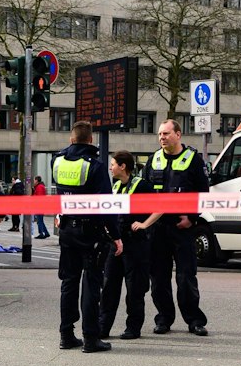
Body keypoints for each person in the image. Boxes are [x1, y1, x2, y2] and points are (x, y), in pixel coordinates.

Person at [51, 125, 122, 353]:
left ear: (71, 138)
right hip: (90, 231)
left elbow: (59, 194)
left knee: (68, 283)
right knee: (91, 284)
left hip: (67, 229)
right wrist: (116, 236)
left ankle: (66, 334)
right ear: (91, 139)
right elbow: (106, 205)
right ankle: (91, 338)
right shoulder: (95, 166)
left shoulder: (58, 161)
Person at [139, 119, 209, 336]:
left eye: (166, 133)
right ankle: (164, 319)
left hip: (182, 227)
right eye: (160, 134)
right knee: (159, 279)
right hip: (158, 228)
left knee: (186, 276)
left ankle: (194, 320)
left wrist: (193, 219)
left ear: (178, 134)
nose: (162, 138)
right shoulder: (153, 160)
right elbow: (143, 193)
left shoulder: (193, 160)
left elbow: (202, 193)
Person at [98, 150, 151, 341]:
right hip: (116, 242)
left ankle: (133, 328)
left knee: (134, 288)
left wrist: (145, 224)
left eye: (113, 164)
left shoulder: (142, 185)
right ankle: (103, 327)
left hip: (135, 244)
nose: (111, 167)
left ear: (123, 166)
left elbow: (161, 206)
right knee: (109, 286)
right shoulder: (115, 186)